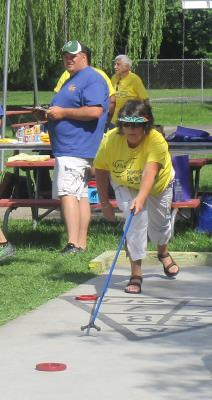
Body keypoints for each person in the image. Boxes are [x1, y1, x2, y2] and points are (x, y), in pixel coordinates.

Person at [93, 99, 179, 294]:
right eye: (126, 124)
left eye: (137, 124)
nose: (131, 129)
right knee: (135, 222)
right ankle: (136, 274)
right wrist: (105, 203)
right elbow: (100, 170)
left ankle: (162, 252)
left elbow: (150, 171)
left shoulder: (156, 140)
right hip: (124, 182)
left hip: (159, 185)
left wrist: (141, 198)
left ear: (146, 124)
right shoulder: (111, 139)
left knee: (160, 226)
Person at [46, 40, 109, 254]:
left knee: (67, 193)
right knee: (80, 194)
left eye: (73, 55)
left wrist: (62, 113)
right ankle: (80, 243)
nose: (68, 58)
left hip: (76, 147)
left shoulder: (91, 78)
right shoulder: (73, 79)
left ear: (85, 56)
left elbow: (94, 112)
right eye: (65, 55)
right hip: (71, 147)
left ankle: (72, 243)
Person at [54, 51, 116, 124]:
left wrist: (62, 112)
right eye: (66, 57)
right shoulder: (66, 75)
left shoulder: (95, 76)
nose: (68, 60)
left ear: (84, 58)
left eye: (73, 56)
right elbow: (57, 100)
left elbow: (110, 101)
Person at [111, 55, 149, 125]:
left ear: (127, 66)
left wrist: (146, 119)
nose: (115, 67)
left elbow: (145, 100)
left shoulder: (134, 79)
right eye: (115, 64)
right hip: (114, 121)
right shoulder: (113, 78)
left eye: (118, 64)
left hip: (130, 120)